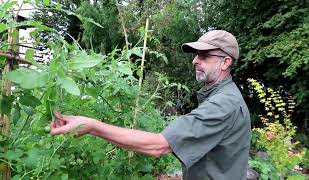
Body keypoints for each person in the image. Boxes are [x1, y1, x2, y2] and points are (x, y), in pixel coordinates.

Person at [51, 30, 251, 180]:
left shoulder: (224, 104)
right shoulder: (222, 96)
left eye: (204, 56)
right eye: (196, 55)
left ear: (225, 62)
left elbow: (159, 145)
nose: (195, 61)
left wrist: (93, 126)